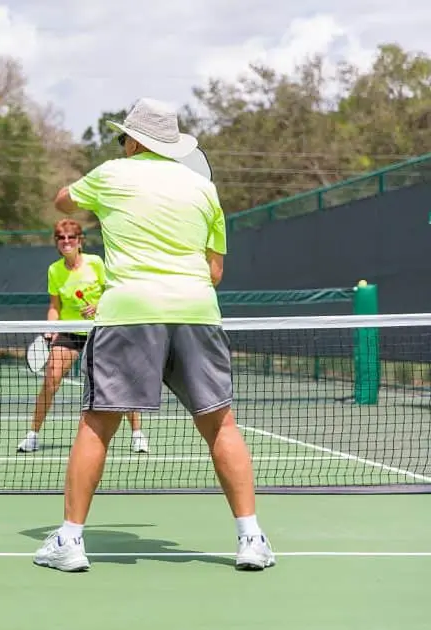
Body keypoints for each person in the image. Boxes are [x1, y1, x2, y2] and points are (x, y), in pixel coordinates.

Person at [33, 97, 276, 573]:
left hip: (130, 312)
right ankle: (251, 538)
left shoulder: (111, 174)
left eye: (124, 137)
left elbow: (62, 200)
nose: (121, 144)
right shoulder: (204, 189)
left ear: (137, 140)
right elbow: (215, 271)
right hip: (196, 312)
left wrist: (95, 203)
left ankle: (70, 541)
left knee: (97, 422)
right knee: (221, 424)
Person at [17, 218, 148, 455]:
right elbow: (54, 306)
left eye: (71, 237)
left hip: (101, 329)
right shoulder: (54, 270)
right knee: (51, 378)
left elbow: (115, 292)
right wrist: (50, 326)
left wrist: (98, 305)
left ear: (80, 241)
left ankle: (137, 435)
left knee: (121, 382)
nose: (66, 242)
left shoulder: (95, 263)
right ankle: (32, 435)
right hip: (70, 332)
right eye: (61, 238)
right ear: (57, 242)